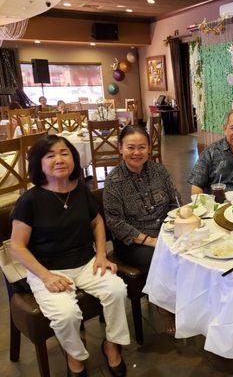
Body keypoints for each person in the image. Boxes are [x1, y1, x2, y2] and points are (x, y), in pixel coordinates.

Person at [9, 135, 129, 377]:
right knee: (66, 314)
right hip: (47, 269)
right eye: (50, 155)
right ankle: (74, 355)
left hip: (86, 262)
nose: (59, 159)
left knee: (116, 290)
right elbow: (17, 247)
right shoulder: (29, 201)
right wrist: (45, 277)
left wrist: (102, 255)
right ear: (39, 164)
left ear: (74, 158)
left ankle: (112, 345)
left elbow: (97, 222)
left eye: (64, 153)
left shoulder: (81, 190)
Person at [104, 125, 181, 272]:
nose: (137, 153)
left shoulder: (159, 170)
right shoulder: (114, 181)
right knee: (170, 259)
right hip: (133, 244)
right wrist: (150, 241)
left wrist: (172, 226)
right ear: (120, 148)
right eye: (130, 147)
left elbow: (175, 201)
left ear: (149, 148)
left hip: (165, 233)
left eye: (142, 147)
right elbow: (115, 222)